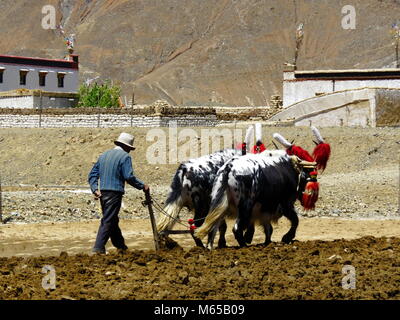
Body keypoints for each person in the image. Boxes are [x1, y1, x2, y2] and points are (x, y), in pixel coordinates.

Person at [88, 132, 149, 254]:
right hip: (114, 193)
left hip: (103, 193)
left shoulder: (103, 155)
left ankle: (121, 247)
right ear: (126, 147)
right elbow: (128, 176)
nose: (130, 151)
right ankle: (98, 248)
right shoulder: (125, 157)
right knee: (108, 220)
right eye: (130, 148)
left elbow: (92, 174)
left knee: (112, 220)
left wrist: (95, 189)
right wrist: (142, 186)